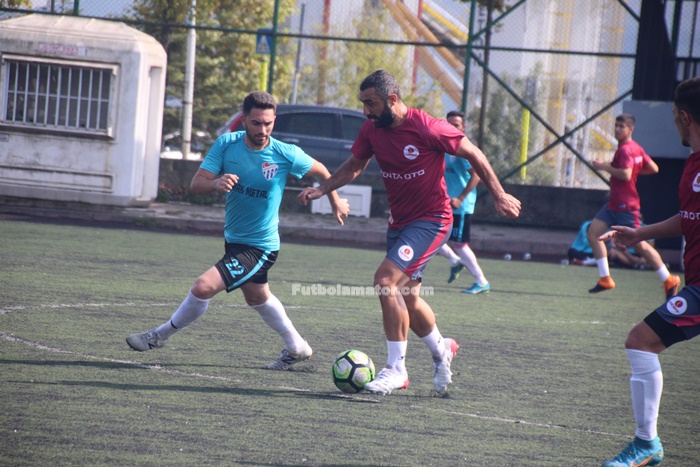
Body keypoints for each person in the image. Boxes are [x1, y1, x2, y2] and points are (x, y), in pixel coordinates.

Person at [299, 70, 521, 395]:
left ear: (392, 99)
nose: (366, 111)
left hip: (432, 220)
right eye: (363, 103)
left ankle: (396, 370)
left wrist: (499, 194)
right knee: (408, 297)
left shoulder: (428, 127)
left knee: (384, 281)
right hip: (400, 222)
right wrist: (325, 188)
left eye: (371, 103)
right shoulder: (372, 129)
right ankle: (441, 349)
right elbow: (355, 165)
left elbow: (474, 153)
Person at [125, 91, 349, 370]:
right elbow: (196, 185)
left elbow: (323, 171)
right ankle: (298, 347)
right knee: (257, 296)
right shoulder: (226, 144)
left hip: (261, 246)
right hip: (234, 240)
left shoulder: (285, 153)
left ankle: (159, 336)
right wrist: (216, 183)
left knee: (203, 287)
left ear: (274, 120)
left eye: (268, 123)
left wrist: (334, 200)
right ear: (244, 120)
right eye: (256, 123)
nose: (263, 130)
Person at [598, 77, 700, 467]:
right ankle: (648, 445)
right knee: (641, 341)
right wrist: (640, 233)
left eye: (673, 116)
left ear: (683, 117)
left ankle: (647, 443)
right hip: (695, 285)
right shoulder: (693, 163)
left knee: (641, 341)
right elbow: (688, 218)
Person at [587, 114, 680, 298]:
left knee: (640, 246)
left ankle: (669, 279)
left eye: (621, 126)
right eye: (616, 125)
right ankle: (605, 278)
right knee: (593, 234)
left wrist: (604, 166)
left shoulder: (625, 150)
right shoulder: (636, 147)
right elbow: (653, 168)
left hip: (626, 205)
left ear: (631, 129)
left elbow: (626, 175)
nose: (617, 129)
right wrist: (635, 171)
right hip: (613, 204)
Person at [435, 110, 490, 294]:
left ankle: (481, 281)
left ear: (463, 127)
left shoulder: (463, 149)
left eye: (456, 125)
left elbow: (477, 175)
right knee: (431, 235)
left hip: (460, 206)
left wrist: (460, 198)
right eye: (449, 124)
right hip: (444, 203)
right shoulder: (444, 147)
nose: (452, 127)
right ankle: (454, 260)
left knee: (459, 244)